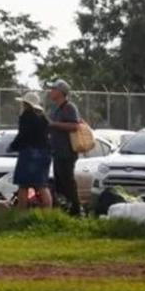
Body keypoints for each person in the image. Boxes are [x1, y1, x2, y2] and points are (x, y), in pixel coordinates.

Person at [46, 80, 83, 216]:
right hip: (57, 151)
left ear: (61, 92)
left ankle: (75, 211)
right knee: (59, 183)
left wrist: (54, 124)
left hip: (67, 152)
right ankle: (63, 209)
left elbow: (75, 126)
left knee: (68, 182)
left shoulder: (69, 107)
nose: (51, 92)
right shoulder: (55, 108)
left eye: (53, 89)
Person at [9, 91, 52, 210]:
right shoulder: (43, 118)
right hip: (44, 153)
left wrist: (13, 146)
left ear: (26, 104)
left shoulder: (26, 116)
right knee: (42, 185)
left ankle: (22, 212)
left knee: (23, 185)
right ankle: (48, 214)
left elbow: (23, 135)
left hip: (29, 153)